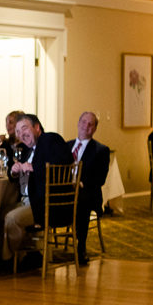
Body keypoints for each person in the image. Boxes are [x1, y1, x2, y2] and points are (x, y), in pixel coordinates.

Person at [2, 113, 71, 261]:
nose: (21, 134)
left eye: (24, 128)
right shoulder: (27, 149)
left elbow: (64, 161)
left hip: (46, 204)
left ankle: (9, 260)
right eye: (18, 131)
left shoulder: (50, 139)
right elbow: (15, 169)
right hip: (30, 200)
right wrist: (13, 171)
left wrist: (34, 167)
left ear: (37, 127)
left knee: (11, 219)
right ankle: (25, 255)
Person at [68, 111, 110, 264]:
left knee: (82, 201)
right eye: (84, 122)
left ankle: (81, 248)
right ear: (78, 124)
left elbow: (100, 179)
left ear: (95, 129)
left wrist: (81, 183)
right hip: (66, 191)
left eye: (91, 124)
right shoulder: (67, 146)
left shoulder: (101, 150)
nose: (86, 126)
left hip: (88, 193)